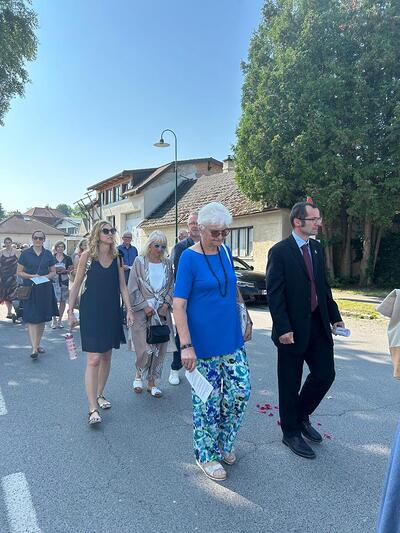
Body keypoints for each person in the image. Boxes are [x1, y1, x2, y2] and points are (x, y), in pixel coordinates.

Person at [173, 202, 252, 482]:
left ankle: (224, 442)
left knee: (240, 392)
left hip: (231, 338)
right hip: (202, 344)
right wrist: (186, 345)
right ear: (201, 229)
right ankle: (206, 454)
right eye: (215, 232)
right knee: (207, 400)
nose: (220, 237)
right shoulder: (189, 258)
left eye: (224, 232)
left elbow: (233, 288)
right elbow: (179, 304)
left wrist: (246, 316)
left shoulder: (226, 252)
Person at [266, 201, 344, 459]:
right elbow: (275, 294)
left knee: (325, 374)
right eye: (314, 219)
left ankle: (300, 416)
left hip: (318, 325)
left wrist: (335, 317)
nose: (318, 223)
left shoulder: (317, 249)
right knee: (289, 382)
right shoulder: (280, 251)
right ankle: (290, 433)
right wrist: (283, 327)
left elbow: (323, 287)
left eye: (318, 218)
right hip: (291, 329)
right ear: (298, 222)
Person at [68, 220, 134, 425]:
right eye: (106, 231)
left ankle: (99, 394)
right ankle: (92, 408)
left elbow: (123, 286)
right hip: (91, 312)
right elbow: (76, 284)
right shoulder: (87, 256)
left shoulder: (117, 257)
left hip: (111, 311)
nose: (110, 233)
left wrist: (129, 310)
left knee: (106, 356)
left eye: (112, 230)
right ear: (97, 234)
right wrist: (70, 312)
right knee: (94, 359)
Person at [127, 230, 175, 398]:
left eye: (163, 246)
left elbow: (171, 286)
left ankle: (152, 382)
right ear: (149, 245)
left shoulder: (167, 263)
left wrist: (166, 304)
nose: (160, 249)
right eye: (157, 246)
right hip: (142, 312)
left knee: (159, 348)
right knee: (144, 348)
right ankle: (138, 374)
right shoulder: (139, 261)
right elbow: (132, 286)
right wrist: (143, 305)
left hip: (161, 312)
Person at [168, 212, 200, 385]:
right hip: (186, 299)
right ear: (188, 226)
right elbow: (179, 276)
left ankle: (196, 370)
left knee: (200, 334)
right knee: (182, 334)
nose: (194, 226)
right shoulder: (181, 247)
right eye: (191, 223)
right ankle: (175, 368)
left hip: (202, 300)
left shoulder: (208, 245)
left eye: (197, 222)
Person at [17, 231, 59, 359]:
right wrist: (31, 276)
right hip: (30, 289)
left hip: (45, 289)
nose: (38, 240)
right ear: (32, 239)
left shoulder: (48, 254)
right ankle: (34, 348)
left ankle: (37, 344)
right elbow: (19, 272)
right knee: (31, 318)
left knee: (41, 319)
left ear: (44, 240)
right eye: (36, 238)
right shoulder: (25, 254)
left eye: (41, 238)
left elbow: (53, 272)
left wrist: (45, 277)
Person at [51, 241, 73, 329]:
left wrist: (65, 271)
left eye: (62, 247)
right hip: (54, 281)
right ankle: (54, 320)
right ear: (56, 248)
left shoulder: (67, 258)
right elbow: (47, 269)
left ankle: (59, 320)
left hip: (64, 281)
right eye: (58, 247)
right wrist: (55, 270)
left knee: (62, 301)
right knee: (54, 301)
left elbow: (71, 269)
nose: (60, 248)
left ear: (64, 248)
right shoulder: (52, 258)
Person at [0, 237, 19, 319]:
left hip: (14, 276)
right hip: (3, 276)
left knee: (12, 295)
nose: (7, 244)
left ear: (11, 243)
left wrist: (18, 273)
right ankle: (8, 312)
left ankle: (9, 312)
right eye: (6, 242)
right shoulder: (1, 252)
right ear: (4, 243)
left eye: (9, 242)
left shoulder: (17, 252)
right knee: (3, 294)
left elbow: (21, 264)